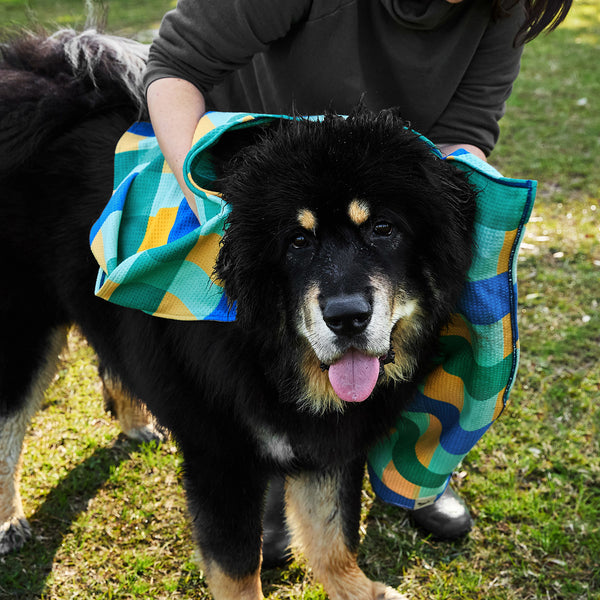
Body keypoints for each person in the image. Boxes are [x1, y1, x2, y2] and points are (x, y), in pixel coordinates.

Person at [143, 0, 572, 566]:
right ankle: (274, 459)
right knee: (262, 344)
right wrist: (209, 198)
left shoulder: (503, 9)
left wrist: (430, 198)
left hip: (386, 194)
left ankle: (413, 455)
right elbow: (176, 65)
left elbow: (464, 134)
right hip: (260, 190)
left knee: (432, 309)